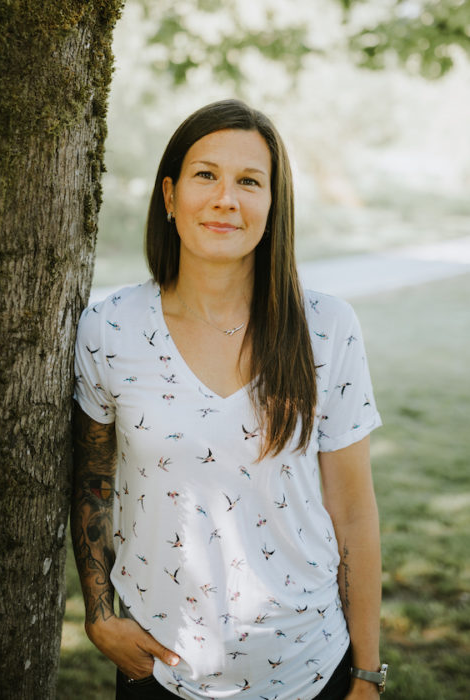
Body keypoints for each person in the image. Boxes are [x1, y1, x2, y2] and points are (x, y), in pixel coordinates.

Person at [71, 99, 385, 700]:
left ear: (273, 203)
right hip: (161, 670)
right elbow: (91, 481)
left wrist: (367, 674)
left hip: (310, 666)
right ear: (169, 195)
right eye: (205, 175)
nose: (226, 199)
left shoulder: (326, 327)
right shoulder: (109, 328)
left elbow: (353, 514)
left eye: (249, 181)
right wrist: (100, 613)